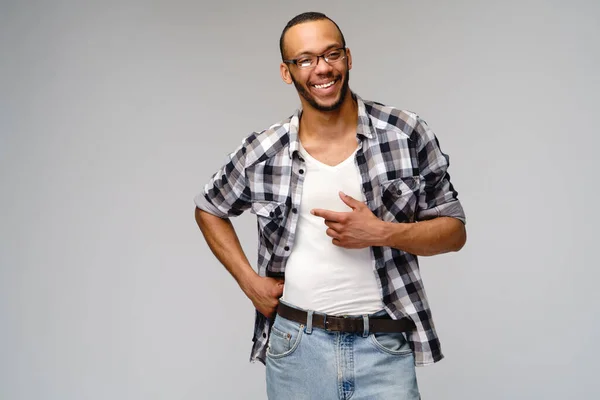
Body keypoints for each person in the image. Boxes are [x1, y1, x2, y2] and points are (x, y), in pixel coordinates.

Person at [194, 11, 466, 400]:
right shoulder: (264, 151)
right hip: (295, 347)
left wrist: (382, 232)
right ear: (288, 73)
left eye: (331, 54)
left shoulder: (405, 132)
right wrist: (249, 282)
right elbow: (209, 208)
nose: (322, 68)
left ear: (348, 58)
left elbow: (454, 232)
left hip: (384, 346)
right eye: (305, 59)